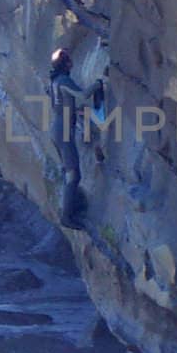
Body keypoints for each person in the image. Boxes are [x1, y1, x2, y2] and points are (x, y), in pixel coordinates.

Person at [48, 49, 100, 228]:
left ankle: (73, 206)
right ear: (66, 64)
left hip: (57, 129)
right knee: (73, 174)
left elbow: (62, 105)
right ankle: (67, 217)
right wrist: (99, 83)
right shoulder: (63, 80)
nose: (72, 62)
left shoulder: (54, 81)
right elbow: (83, 95)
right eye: (69, 60)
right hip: (63, 131)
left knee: (68, 172)